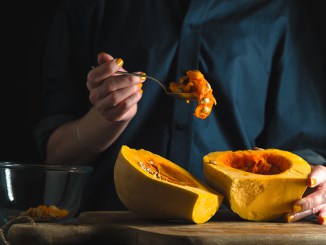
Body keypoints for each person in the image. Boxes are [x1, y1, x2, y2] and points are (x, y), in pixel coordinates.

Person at [34, 0, 326, 224]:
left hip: (231, 232)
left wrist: (318, 181)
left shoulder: (278, 10)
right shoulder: (91, 6)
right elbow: (56, 159)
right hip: (109, 232)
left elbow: (304, 149)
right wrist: (105, 119)